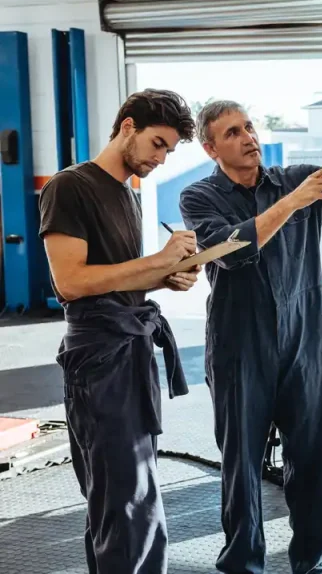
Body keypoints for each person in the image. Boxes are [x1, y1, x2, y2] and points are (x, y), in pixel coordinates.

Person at [178, 100, 322, 574]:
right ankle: (243, 567)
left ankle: (313, 567)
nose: (248, 137)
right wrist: (293, 202)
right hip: (239, 349)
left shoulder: (297, 177)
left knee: (312, 467)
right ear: (211, 148)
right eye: (232, 133)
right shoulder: (199, 198)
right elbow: (230, 250)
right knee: (242, 472)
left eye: (249, 127)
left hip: (303, 348)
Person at [38, 88, 202, 573]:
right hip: (98, 357)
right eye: (157, 143)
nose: (161, 157)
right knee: (121, 499)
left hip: (132, 352)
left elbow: (123, 275)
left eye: (169, 150)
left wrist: (168, 277)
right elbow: (70, 283)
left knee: (138, 495)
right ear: (127, 126)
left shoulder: (128, 195)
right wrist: (155, 262)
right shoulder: (70, 187)